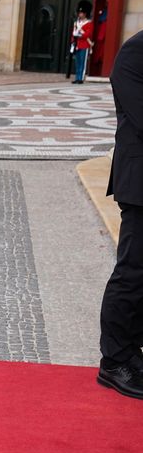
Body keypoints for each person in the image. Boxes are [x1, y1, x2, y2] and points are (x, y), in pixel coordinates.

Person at [97, 29, 143, 401]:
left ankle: (132, 352)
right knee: (133, 272)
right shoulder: (135, 52)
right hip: (140, 182)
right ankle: (114, 362)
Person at [71, 0, 94, 84]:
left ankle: (81, 78)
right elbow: (73, 34)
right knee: (77, 62)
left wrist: (80, 33)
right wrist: (73, 41)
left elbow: (88, 34)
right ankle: (77, 77)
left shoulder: (89, 23)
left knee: (82, 63)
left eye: (81, 13)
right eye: (79, 13)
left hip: (85, 45)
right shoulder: (76, 23)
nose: (80, 14)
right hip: (77, 44)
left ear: (85, 14)